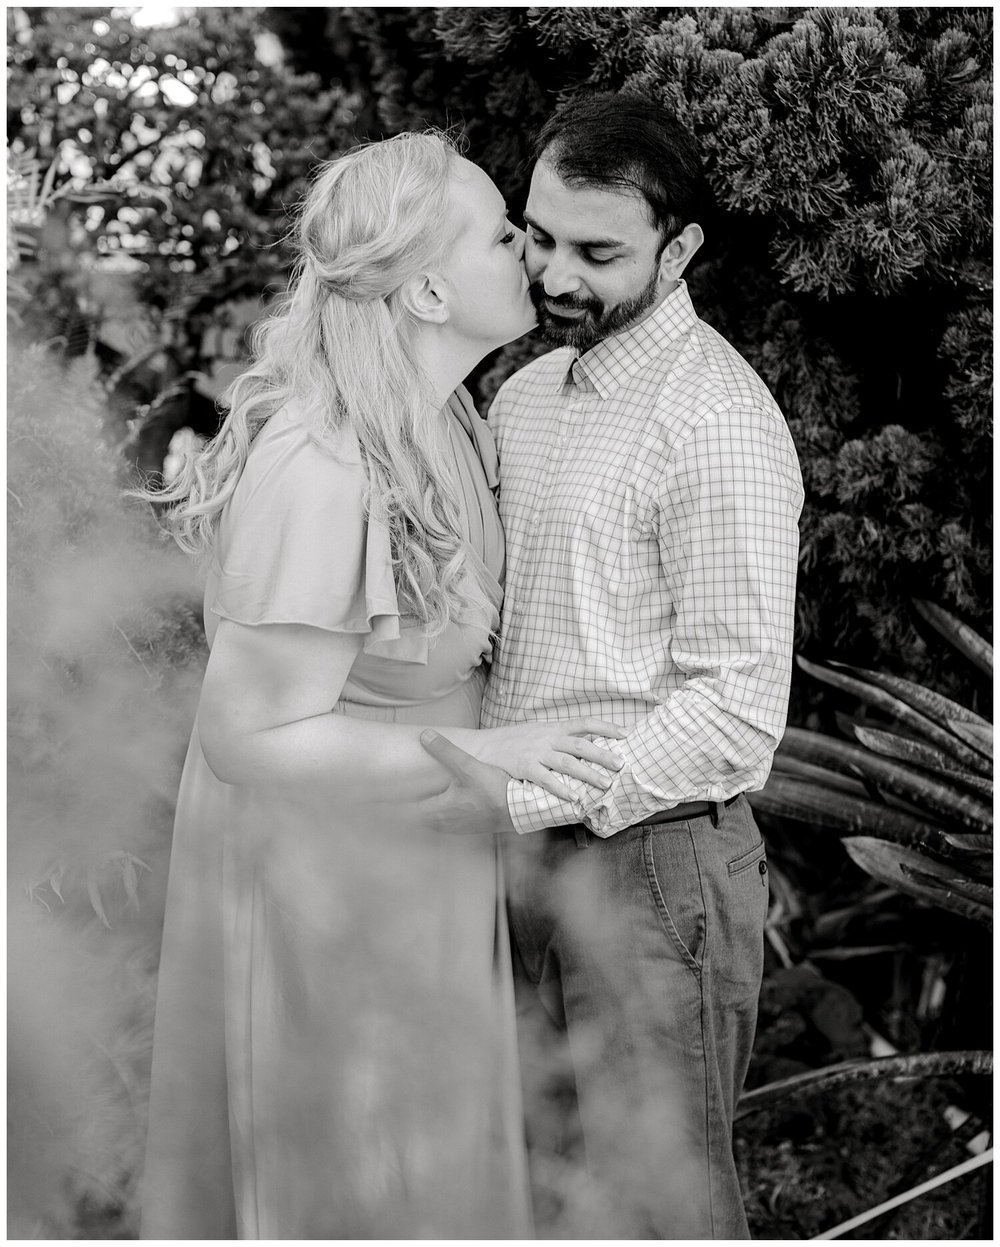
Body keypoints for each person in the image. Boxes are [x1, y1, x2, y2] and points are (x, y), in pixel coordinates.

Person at [138, 130, 625, 1240]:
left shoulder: (442, 420)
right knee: (361, 1167)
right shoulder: (325, 462)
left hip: (413, 849)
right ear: (429, 289)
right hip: (325, 873)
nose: (533, 250)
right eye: (505, 232)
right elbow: (246, 735)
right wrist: (486, 754)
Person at [419, 93, 805, 1238]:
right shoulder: (525, 393)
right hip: (518, 852)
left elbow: (737, 705)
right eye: (538, 238)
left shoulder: (719, 419)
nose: (554, 276)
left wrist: (520, 790)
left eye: (598, 253)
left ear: (678, 249)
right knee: (543, 1193)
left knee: (655, 1209)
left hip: (655, 867)